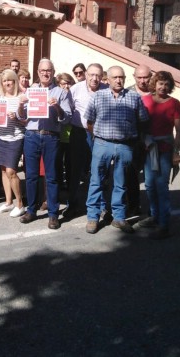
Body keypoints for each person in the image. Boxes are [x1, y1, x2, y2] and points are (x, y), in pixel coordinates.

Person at [84, 65, 149, 234]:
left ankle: (119, 217)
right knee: (96, 180)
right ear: (108, 79)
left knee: (120, 183)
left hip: (125, 145)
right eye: (115, 77)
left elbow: (143, 120)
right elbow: (89, 122)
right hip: (102, 144)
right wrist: (98, 138)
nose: (118, 80)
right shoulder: (98, 96)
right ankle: (92, 217)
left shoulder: (134, 98)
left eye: (121, 77)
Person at [20, 58, 73, 230]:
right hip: (31, 135)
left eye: (48, 70)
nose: (45, 73)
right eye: (42, 70)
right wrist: (21, 105)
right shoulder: (30, 91)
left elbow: (66, 118)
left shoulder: (61, 92)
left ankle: (53, 214)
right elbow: (22, 118)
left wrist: (57, 107)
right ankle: (31, 210)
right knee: (31, 176)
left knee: (52, 177)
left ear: (53, 72)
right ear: (37, 72)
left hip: (51, 137)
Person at [139, 71, 180, 239]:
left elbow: (179, 131)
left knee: (161, 186)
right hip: (149, 148)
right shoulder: (145, 100)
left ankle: (164, 223)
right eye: (160, 83)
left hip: (165, 150)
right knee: (149, 184)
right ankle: (154, 215)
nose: (163, 87)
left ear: (170, 86)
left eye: (166, 84)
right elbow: (141, 124)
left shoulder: (175, 104)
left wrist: (176, 152)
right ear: (154, 84)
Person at [63, 63, 107, 220]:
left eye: (98, 75)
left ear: (102, 76)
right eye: (91, 75)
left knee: (98, 170)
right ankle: (72, 204)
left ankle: (101, 206)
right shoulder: (75, 89)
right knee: (75, 171)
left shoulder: (106, 90)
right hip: (79, 134)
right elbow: (69, 110)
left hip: (100, 135)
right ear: (86, 75)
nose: (94, 78)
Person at [0, 69, 27, 217]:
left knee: (12, 171)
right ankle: (8, 202)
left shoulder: (22, 98)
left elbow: (26, 121)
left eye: (10, 80)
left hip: (15, 138)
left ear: (15, 81)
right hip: (1, 137)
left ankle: (20, 204)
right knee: (4, 171)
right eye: (4, 81)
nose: (7, 83)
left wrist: (16, 117)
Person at [124, 64, 153, 216]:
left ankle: (154, 210)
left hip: (151, 142)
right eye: (139, 77)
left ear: (151, 77)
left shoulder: (157, 94)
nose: (142, 81)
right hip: (132, 142)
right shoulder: (127, 92)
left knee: (152, 178)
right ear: (134, 76)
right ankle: (133, 205)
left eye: (145, 77)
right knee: (131, 176)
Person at [55, 73, 75, 199]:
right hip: (58, 133)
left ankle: (70, 185)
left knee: (69, 162)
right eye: (63, 83)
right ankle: (59, 183)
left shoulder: (73, 95)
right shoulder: (57, 96)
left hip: (71, 133)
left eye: (68, 83)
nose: (66, 86)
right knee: (57, 161)